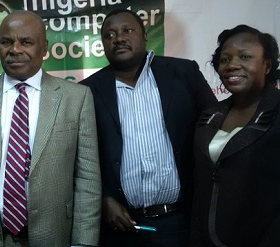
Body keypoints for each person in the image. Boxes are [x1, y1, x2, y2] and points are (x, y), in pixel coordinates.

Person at [0, 10, 101, 247]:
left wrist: (84, 241)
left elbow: (87, 177)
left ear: (44, 47)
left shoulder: (76, 97)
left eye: (26, 42)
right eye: (6, 42)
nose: (15, 50)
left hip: (56, 235)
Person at [79, 9, 217, 247]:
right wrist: (102, 198)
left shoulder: (183, 73)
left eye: (127, 31)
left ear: (144, 36)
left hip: (180, 222)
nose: (118, 38)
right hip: (119, 225)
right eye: (109, 35)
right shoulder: (86, 91)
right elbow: (79, 156)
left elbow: (215, 125)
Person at [190, 25, 280, 246]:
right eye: (224, 60)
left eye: (245, 56)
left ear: (267, 65)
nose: (232, 65)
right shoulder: (210, 114)